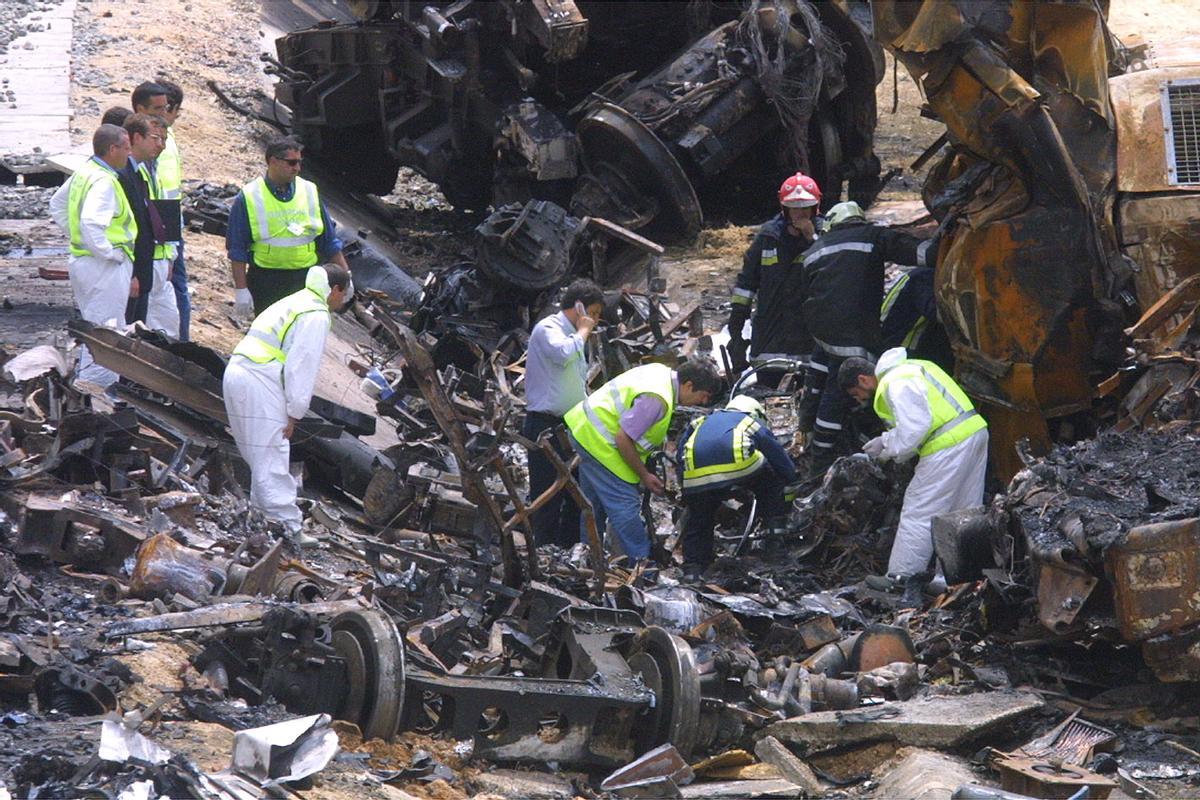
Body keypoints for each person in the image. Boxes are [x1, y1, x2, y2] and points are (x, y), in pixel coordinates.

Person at [799, 201, 937, 477]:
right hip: (859, 336)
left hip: (823, 335)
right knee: (843, 395)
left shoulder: (814, 251)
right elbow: (923, 254)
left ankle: (815, 452)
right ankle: (836, 462)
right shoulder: (873, 236)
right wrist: (947, 237)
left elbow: (805, 296)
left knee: (823, 386)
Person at [839, 348, 988, 603]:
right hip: (973, 433)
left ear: (863, 379)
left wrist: (885, 445)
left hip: (946, 445)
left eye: (857, 393)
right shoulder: (917, 366)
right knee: (964, 511)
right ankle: (956, 580)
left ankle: (901, 578)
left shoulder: (894, 382)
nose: (861, 399)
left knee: (919, 510)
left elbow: (914, 429)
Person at [222, 264, 351, 540]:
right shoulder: (316, 314)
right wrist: (294, 413)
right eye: (343, 295)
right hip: (259, 378)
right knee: (272, 454)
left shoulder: (296, 300)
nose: (342, 302)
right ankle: (288, 529)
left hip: (238, 371)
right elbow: (301, 368)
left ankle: (260, 521)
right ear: (335, 290)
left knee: (260, 457)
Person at [564, 359, 723, 562]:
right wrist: (644, 475)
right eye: (704, 395)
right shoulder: (657, 399)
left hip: (584, 428)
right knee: (624, 506)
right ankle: (641, 565)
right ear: (689, 385)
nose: (703, 402)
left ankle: (587, 558)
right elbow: (623, 438)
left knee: (593, 504)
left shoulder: (661, 372)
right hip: (599, 441)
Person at [48, 124, 137, 387]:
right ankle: (95, 393)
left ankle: (91, 389)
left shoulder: (85, 171)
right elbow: (91, 222)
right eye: (126, 148)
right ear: (112, 149)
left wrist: (77, 237)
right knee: (106, 333)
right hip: (103, 268)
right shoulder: (104, 181)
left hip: (84, 262)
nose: (130, 153)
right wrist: (107, 252)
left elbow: (57, 204)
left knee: (95, 325)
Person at [676, 395, 801, 578]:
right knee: (772, 484)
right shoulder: (749, 421)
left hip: (696, 474)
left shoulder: (700, 422)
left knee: (700, 517)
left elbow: (680, 455)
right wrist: (790, 480)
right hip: (740, 465)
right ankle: (774, 545)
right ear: (756, 413)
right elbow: (778, 457)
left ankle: (693, 570)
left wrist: (687, 489)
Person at [226, 136, 349, 316]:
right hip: (266, 280)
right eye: (291, 163)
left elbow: (329, 242)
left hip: (306, 279)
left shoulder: (309, 191)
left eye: (299, 162)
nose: (297, 168)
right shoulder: (250, 196)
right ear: (273, 161)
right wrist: (241, 289)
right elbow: (237, 249)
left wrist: (346, 277)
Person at [523, 279, 604, 548]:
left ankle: (569, 550)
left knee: (576, 494)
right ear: (578, 307)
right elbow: (562, 355)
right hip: (545, 425)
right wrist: (583, 330)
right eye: (593, 313)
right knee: (547, 493)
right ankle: (542, 550)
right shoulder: (549, 329)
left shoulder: (574, 336)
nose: (595, 321)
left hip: (572, 425)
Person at [726, 172, 821, 379]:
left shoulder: (824, 236)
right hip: (770, 335)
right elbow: (746, 284)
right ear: (784, 209)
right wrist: (736, 327)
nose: (800, 214)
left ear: (815, 208)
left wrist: (811, 238)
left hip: (808, 335)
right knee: (767, 389)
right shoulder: (768, 237)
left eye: (805, 208)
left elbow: (830, 272)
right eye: (794, 208)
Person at [121, 114, 179, 336]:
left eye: (164, 139)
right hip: (138, 264)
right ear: (137, 138)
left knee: (161, 327)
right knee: (129, 327)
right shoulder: (125, 173)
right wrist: (132, 273)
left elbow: (164, 212)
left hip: (156, 260)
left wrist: (170, 255)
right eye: (155, 138)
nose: (161, 145)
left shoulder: (147, 169)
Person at [156, 79, 191, 341]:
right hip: (164, 220)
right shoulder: (162, 142)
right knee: (176, 286)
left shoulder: (163, 139)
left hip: (166, 217)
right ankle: (180, 343)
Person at [880, 267, 954, 371]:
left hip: (894, 342)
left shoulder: (920, 275)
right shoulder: (924, 278)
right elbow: (937, 313)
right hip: (901, 346)